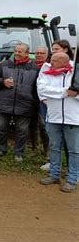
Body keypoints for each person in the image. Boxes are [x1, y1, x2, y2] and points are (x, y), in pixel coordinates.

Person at [37, 52, 78, 193]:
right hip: (53, 117)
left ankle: (72, 179)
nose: (51, 62)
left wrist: (75, 94)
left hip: (73, 118)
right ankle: (54, 174)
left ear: (65, 62)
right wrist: (65, 92)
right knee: (54, 147)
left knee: (74, 151)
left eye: (54, 60)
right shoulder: (47, 72)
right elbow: (43, 90)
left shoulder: (75, 73)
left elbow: (76, 93)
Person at [0, 43, 39, 162]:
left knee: (22, 130)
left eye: (20, 52)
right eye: (16, 51)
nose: (16, 53)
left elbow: (38, 87)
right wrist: (3, 82)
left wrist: (33, 101)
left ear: (27, 53)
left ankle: (19, 153)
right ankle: (1, 149)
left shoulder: (35, 68)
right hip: (4, 103)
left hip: (25, 104)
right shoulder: (4, 65)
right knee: (1, 128)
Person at [30, 46, 49, 154]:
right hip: (31, 98)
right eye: (37, 53)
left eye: (42, 53)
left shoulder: (49, 67)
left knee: (43, 125)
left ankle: (47, 150)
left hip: (43, 100)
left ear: (46, 55)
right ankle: (35, 147)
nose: (39, 55)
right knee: (32, 124)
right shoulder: (31, 66)